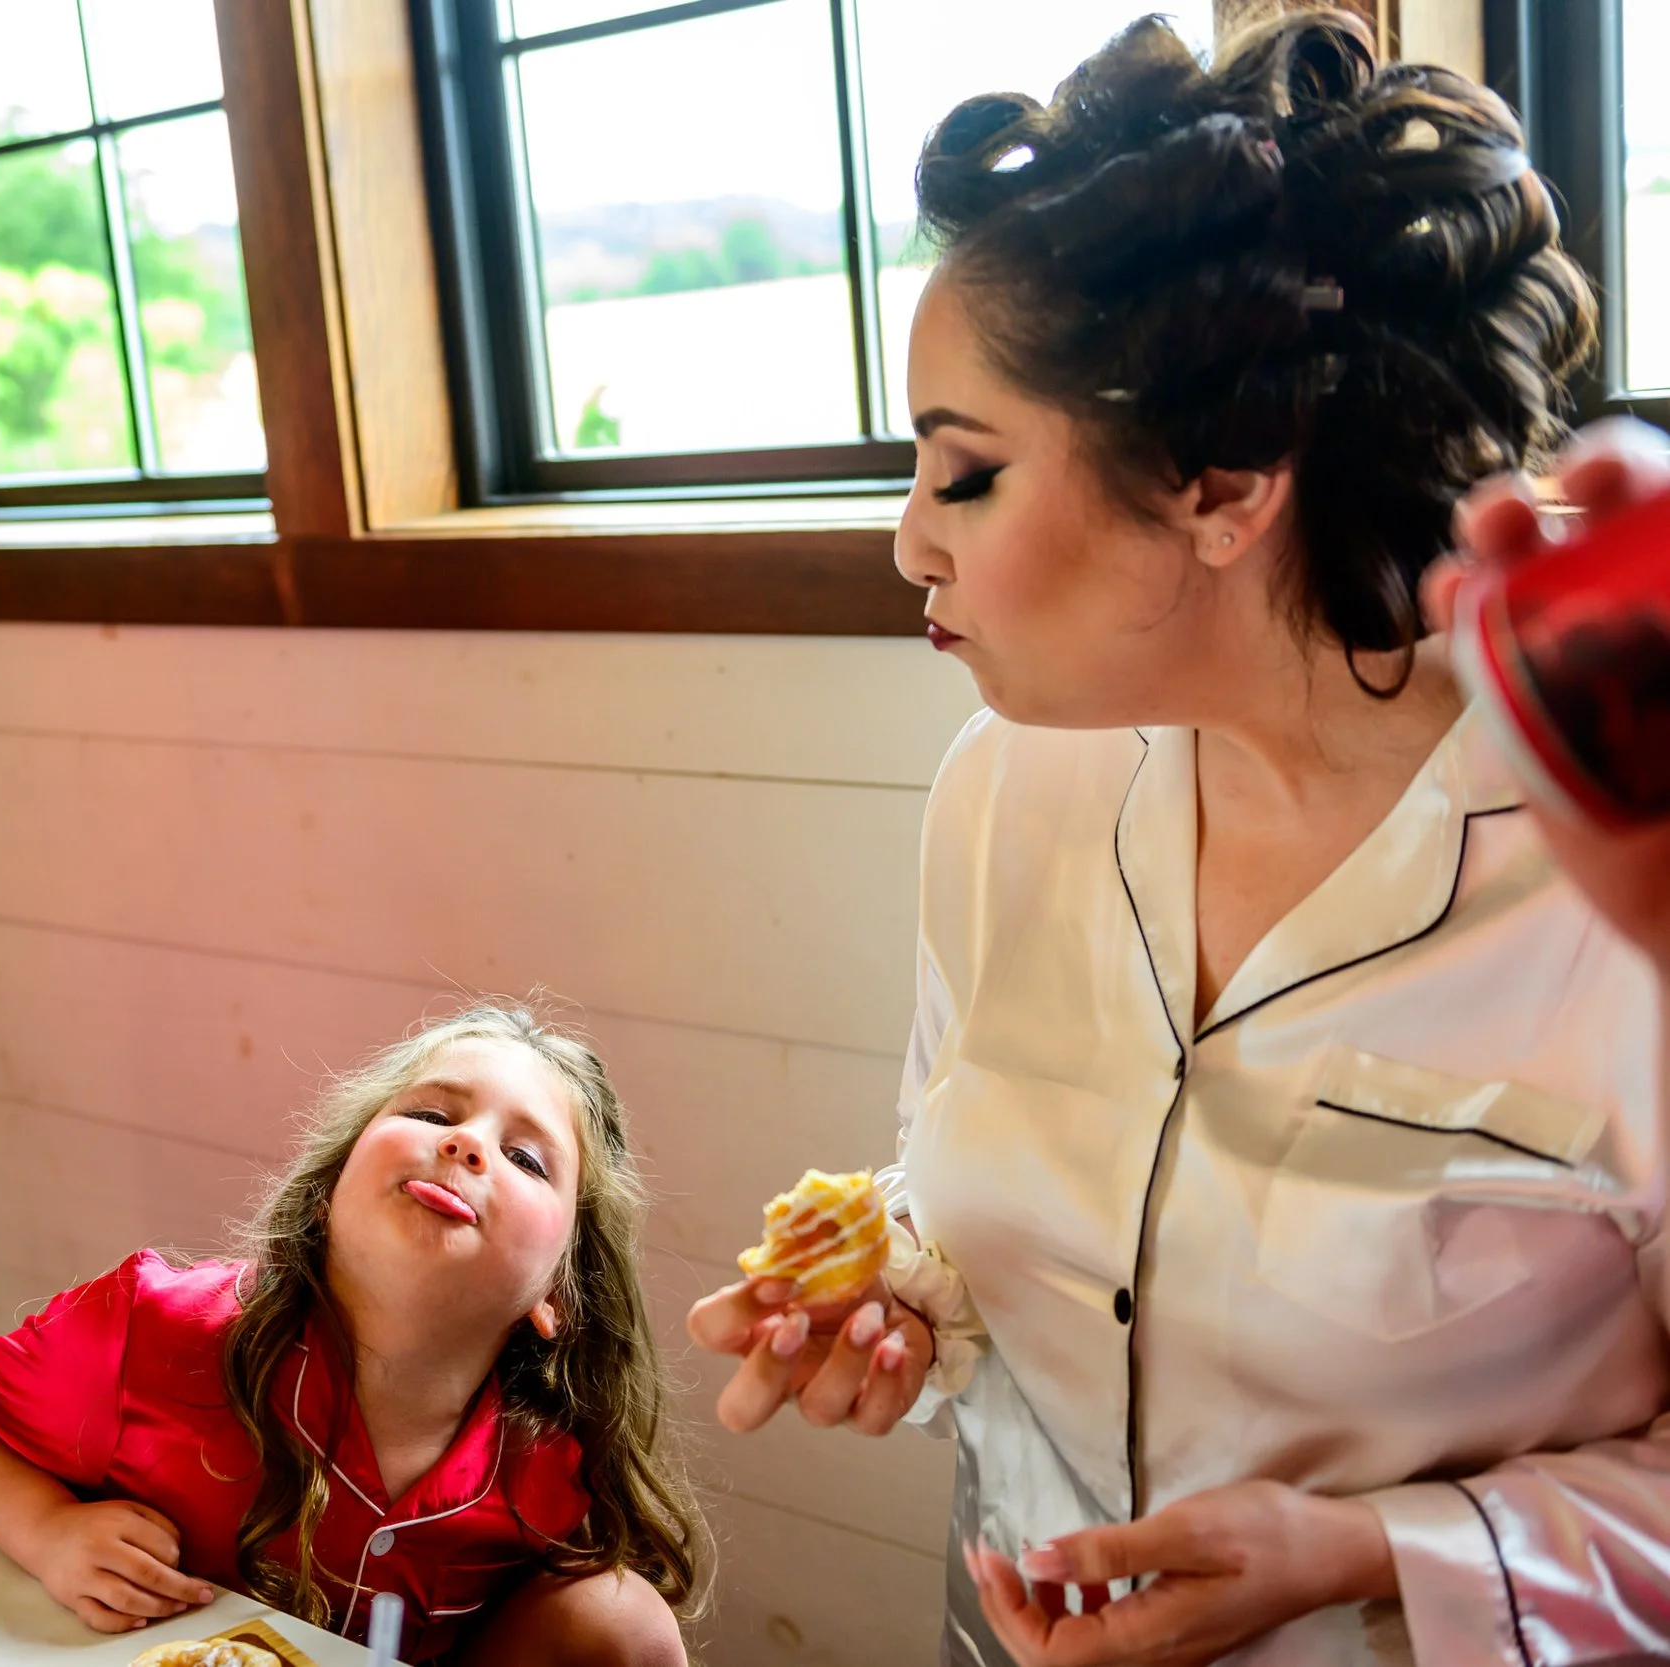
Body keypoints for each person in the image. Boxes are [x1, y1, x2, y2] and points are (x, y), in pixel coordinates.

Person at [686, 15, 1665, 1665]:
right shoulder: (1007, 790)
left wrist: (1365, 1550)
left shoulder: (1610, 884)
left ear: (1223, 486)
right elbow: (962, 1181)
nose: (908, 539)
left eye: (964, 472)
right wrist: (907, 1294)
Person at [0, 1005, 704, 1665]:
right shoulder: (154, 1325)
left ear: (560, 1294)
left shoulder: (550, 1470)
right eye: (433, 1114)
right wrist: (48, 1533)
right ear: (329, 1192)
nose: (467, 1144)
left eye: (526, 1157)